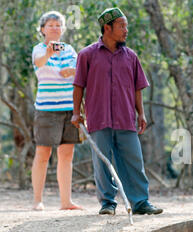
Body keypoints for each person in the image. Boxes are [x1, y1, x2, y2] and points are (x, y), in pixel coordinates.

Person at [71, 7, 163, 216]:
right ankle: (108, 203)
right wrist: (76, 112)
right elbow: (78, 86)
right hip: (98, 117)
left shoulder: (131, 56)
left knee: (134, 160)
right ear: (107, 28)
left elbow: (138, 87)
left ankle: (140, 202)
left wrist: (141, 114)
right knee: (102, 162)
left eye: (126, 26)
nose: (125, 30)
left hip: (125, 118)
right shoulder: (87, 55)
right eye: (121, 26)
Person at [31, 11, 82, 211]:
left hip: (69, 108)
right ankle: (37, 200)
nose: (55, 28)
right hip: (46, 108)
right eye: (50, 25)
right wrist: (49, 54)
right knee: (43, 152)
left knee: (66, 154)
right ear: (43, 29)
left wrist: (72, 72)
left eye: (58, 25)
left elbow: (78, 71)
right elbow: (39, 63)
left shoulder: (69, 50)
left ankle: (65, 201)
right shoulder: (39, 49)